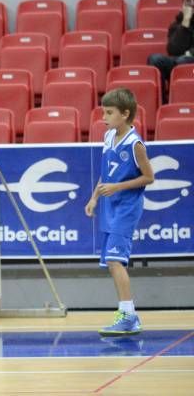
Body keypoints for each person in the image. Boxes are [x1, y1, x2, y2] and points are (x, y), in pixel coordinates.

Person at [85, 88, 155, 336]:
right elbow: (106, 172)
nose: (104, 116)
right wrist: (94, 197)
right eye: (103, 111)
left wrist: (118, 186)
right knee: (111, 263)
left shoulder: (135, 144)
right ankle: (126, 313)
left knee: (116, 260)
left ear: (125, 114)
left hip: (127, 206)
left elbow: (149, 177)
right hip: (108, 205)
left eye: (109, 112)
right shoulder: (108, 137)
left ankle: (129, 315)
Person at [148, 0, 194, 96]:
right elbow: (173, 50)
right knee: (155, 59)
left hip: (188, 62)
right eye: (188, 0)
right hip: (179, 61)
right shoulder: (177, 24)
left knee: (183, 61)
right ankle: (162, 101)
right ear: (183, 3)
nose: (192, 4)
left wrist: (190, 53)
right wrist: (185, 22)